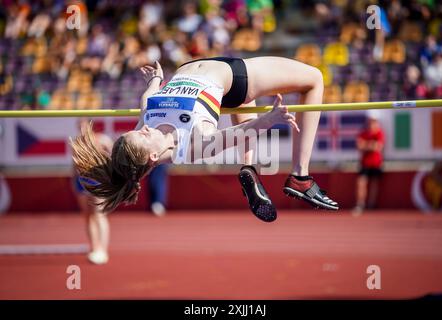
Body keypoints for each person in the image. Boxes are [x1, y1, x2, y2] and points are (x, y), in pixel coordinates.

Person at [71, 56, 339, 223]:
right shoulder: (193, 145)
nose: (142, 129)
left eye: (137, 130)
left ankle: (250, 167)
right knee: (314, 78)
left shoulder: (147, 125)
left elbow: (146, 102)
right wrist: (270, 119)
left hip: (202, 71)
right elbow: (237, 134)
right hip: (233, 76)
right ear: (153, 157)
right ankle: (300, 175)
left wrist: (155, 81)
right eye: (141, 135)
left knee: (244, 103)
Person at [72, 119, 113, 264]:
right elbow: (74, 165)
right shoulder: (77, 143)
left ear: (90, 126)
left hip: (99, 181)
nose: (81, 129)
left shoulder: (103, 140)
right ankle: (94, 248)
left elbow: (115, 160)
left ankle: (103, 250)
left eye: (83, 125)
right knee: (88, 216)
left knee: (99, 214)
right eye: (79, 126)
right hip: (82, 182)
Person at [353, 114, 385, 215]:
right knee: (361, 183)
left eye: (374, 122)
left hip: (376, 162)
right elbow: (359, 146)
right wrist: (371, 145)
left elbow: (378, 147)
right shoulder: (363, 133)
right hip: (365, 163)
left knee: (374, 184)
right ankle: (360, 204)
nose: (372, 124)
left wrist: (366, 145)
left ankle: (371, 204)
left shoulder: (379, 133)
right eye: (371, 122)